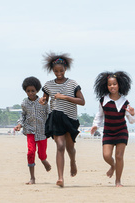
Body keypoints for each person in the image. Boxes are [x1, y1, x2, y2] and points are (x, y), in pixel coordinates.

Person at [38, 52, 85, 187]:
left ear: (65, 69)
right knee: (60, 146)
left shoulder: (72, 84)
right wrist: (42, 100)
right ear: (52, 70)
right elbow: (45, 99)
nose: (58, 73)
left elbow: (82, 101)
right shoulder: (48, 85)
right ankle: (60, 178)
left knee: (70, 148)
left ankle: (73, 161)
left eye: (61, 70)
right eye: (56, 71)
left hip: (70, 119)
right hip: (56, 117)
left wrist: (65, 97)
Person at [89, 71, 135, 187]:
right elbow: (99, 115)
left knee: (119, 156)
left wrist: (133, 113)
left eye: (114, 84)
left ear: (119, 85)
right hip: (108, 133)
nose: (112, 86)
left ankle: (118, 181)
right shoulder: (103, 101)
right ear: (106, 86)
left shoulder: (125, 102)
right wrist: (95, 125)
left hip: (121, 131)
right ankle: (113, 165)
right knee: (106, 155)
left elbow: (131, 120)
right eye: (110, 85)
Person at [14, 76, 52, 185]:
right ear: (25, 91)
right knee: (30, 152)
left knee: (41, 154)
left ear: (37, 90)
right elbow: (23, 116)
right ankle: (32, 178)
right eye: (28, 91)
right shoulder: (24, 104)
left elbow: (49, 115)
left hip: (42, 132)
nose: (30, 93)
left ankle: (44, 160)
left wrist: (52, 127)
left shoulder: (44, 103)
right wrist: (19, 125)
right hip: (30, 131)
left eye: (33, 91)